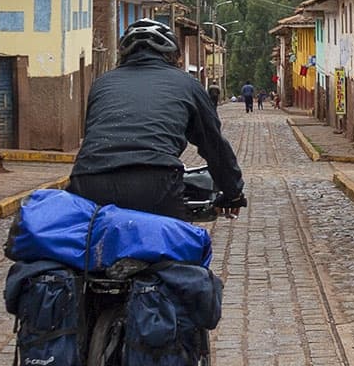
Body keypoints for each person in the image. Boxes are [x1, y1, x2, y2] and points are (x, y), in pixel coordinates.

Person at [70, 18, 246, 220]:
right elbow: (214, 146)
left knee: (85, 245)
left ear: (124, 55)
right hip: (155, 181)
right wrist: (233, 193)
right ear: (173, 56)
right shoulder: (188, 84)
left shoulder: (102, 84)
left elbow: (92, 133)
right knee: (172, 246)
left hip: (88, 179)